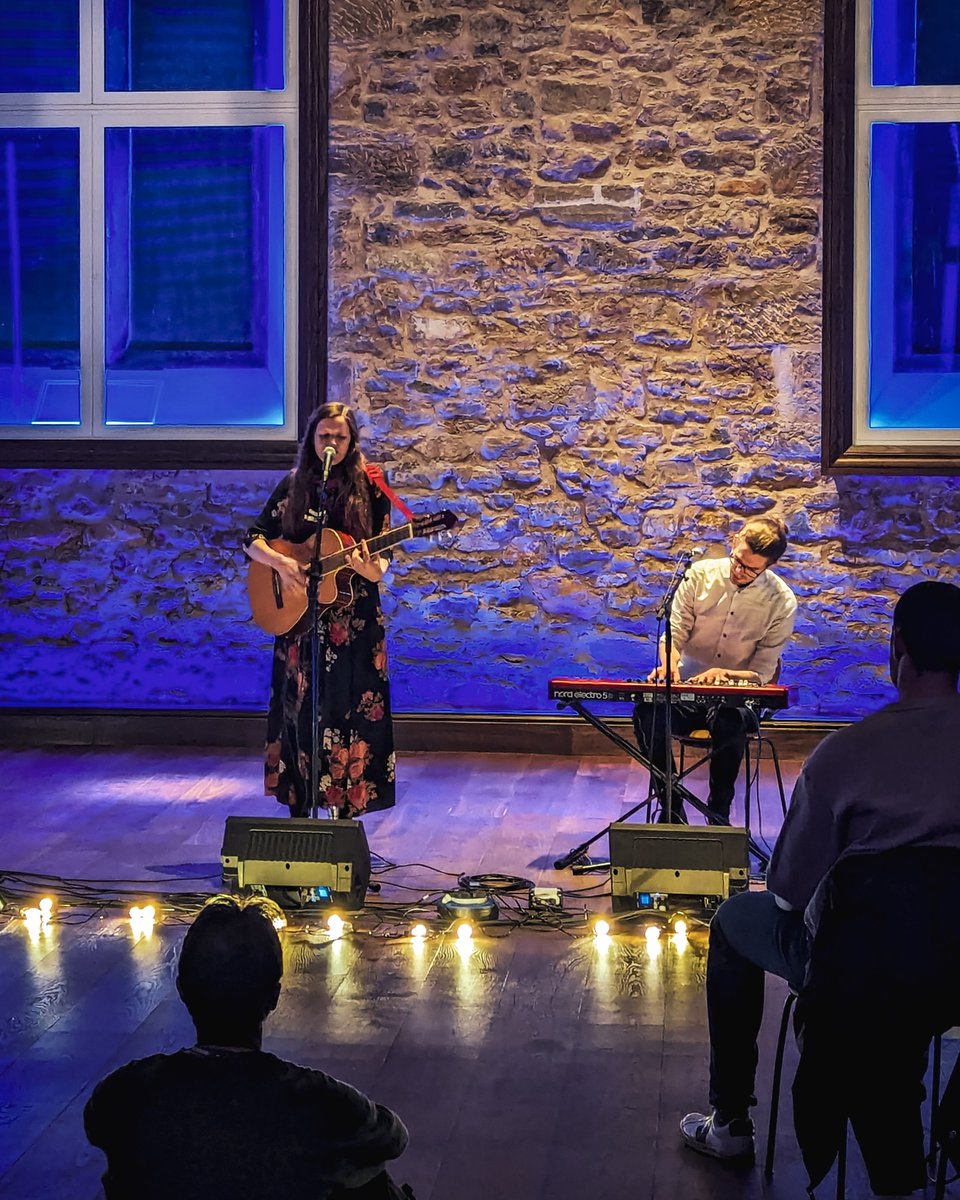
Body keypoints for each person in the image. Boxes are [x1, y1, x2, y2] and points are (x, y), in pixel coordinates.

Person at [680, 580, 960, 1166]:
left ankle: (730, 1119)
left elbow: (785, 895)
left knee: (734, 920)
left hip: (865, 975)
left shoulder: (845, 755)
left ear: (897, 646)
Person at [84, 896, 411, 1200]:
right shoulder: (323, 1102)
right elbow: (392, 1137)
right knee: (370, 1182)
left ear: (182, 989)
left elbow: (98, 1125)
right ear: (274, 996)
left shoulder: (125, 1092)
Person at [244, 403, 396, 819]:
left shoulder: (372, 486)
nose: (331, 444)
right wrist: (283, 563)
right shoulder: (294, 485)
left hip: (355, 620)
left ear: (353, 441)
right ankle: (300, 815)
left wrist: (370, 566)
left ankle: (345, 822)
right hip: (300, 620)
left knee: (349, 712)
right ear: (312, 440)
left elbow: (383, 559)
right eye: (324, 436)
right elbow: (253, 539)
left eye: (340, 438)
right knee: (301, 710)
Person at [634, 516, 797, 824]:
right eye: (737, 560)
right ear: (734, 542)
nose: (739, 571)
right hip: (687, 692)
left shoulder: (781, 602)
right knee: (647, 711)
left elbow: (762, 673)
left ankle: (718, 814)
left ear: (769, 566)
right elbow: (675, 631)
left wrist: (727, 675)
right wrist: (669, 664)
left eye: (750, 569)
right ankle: (670, 805)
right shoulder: (698, 576)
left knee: (729, 719)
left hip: (736, 700)